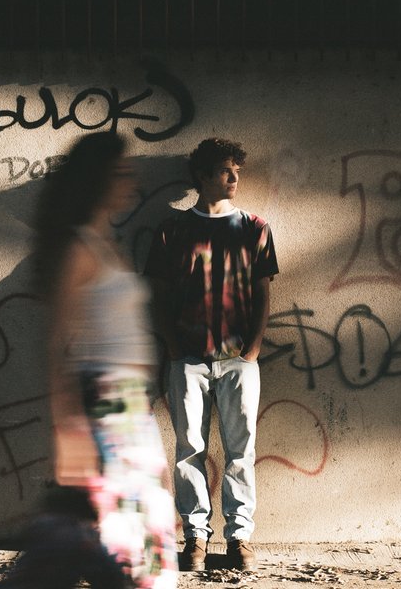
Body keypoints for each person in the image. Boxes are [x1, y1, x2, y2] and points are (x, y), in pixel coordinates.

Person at [29, 132, 178, 588]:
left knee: (137, 536)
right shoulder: (80, 248)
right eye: (120, 173)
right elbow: (60, 348)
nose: (129, 180)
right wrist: (70, 434)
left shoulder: (106, 241)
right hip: (104, 402)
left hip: (129, 405)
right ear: (95, 181)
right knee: (133, 546)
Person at [144, 138, 279, 572]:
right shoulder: (172, 229)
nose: (234, 177)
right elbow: (157, 295)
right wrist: (173, 346)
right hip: (188, 359)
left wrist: (252, 350)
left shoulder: (255, 227)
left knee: (241, 450)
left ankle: (239, 539)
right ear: (201, 176)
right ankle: (196, 541)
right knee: (189, 450)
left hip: (240, 360)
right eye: (225, 170)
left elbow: (262, 293)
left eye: (237, 170)